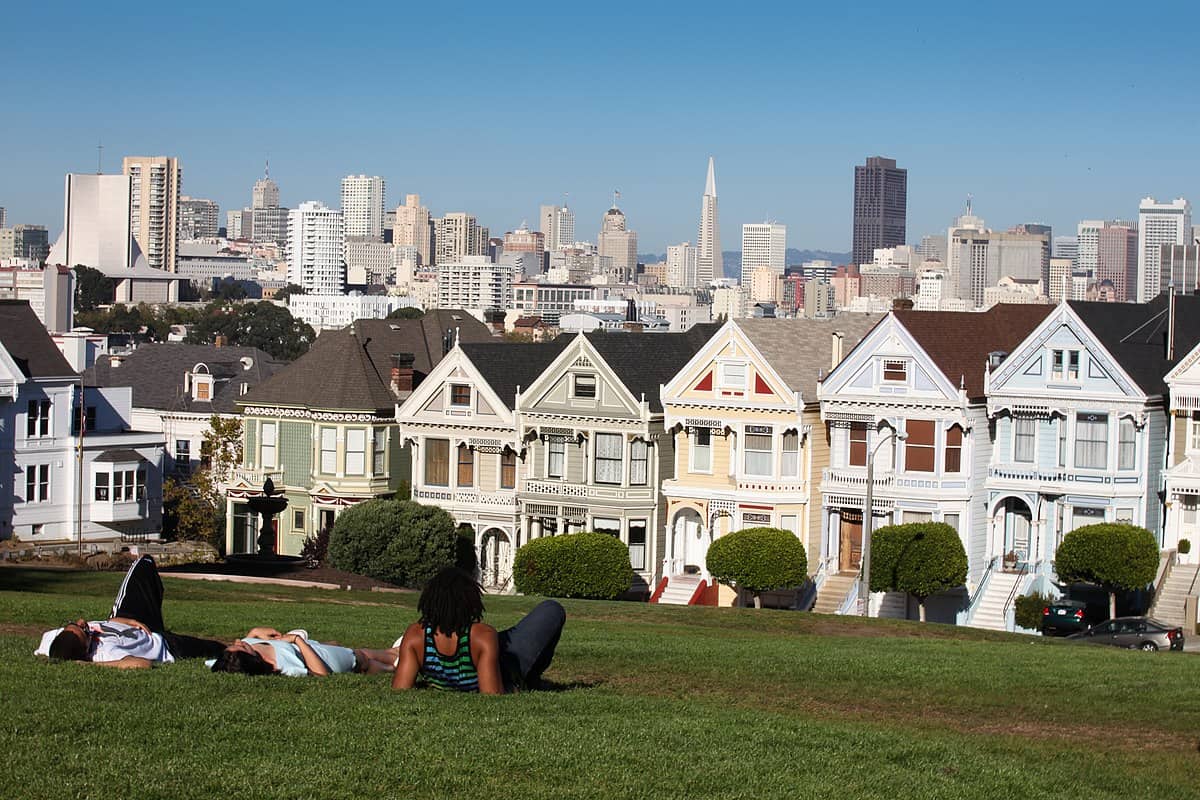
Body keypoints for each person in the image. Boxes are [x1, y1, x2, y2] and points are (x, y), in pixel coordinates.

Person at [392, 567, 565, 695]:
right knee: (552, 609)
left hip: (478, 649)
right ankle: (532, 679)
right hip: (503, 666)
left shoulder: (416, 636)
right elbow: (492, 693)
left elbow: (400, 688)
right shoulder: (483, 636)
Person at [35, 554, 226, 668]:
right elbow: (141, 665)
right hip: (165, 645)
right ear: (85, 651)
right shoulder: (105, 654)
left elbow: (57, 652)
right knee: (218, 650)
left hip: (128, 619)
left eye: (73, 625)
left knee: (144, 563)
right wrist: (91, 666)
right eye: (84, 631)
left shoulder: (51, 640)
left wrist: (124, 622)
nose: (82, 622)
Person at [209, 627, 399, 677]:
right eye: (241, 646)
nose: (239, 641)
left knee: (392, 653)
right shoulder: (284, 665)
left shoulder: (227, 661)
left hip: (335, 650)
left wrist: (255, 633)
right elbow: (321, 674)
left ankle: (406, 654)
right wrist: (297, 640)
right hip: (357, 661)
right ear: (249, 658)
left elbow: (221, 661)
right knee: (392, 661)